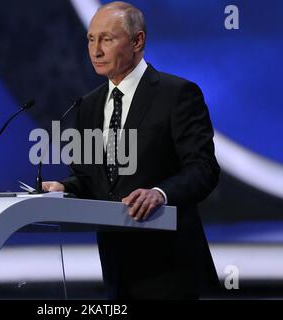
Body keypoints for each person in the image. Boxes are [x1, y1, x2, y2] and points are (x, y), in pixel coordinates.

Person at [43, 1, 220, 299]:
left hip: (170, 267)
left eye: (107, 39)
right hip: (116, 269)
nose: (95, 50)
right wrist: (65, 187)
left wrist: (160, 194)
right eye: (90, 39)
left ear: (137, 41)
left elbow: (203, 169)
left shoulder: (177, 95)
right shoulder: (88, 105)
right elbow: (91, 177)